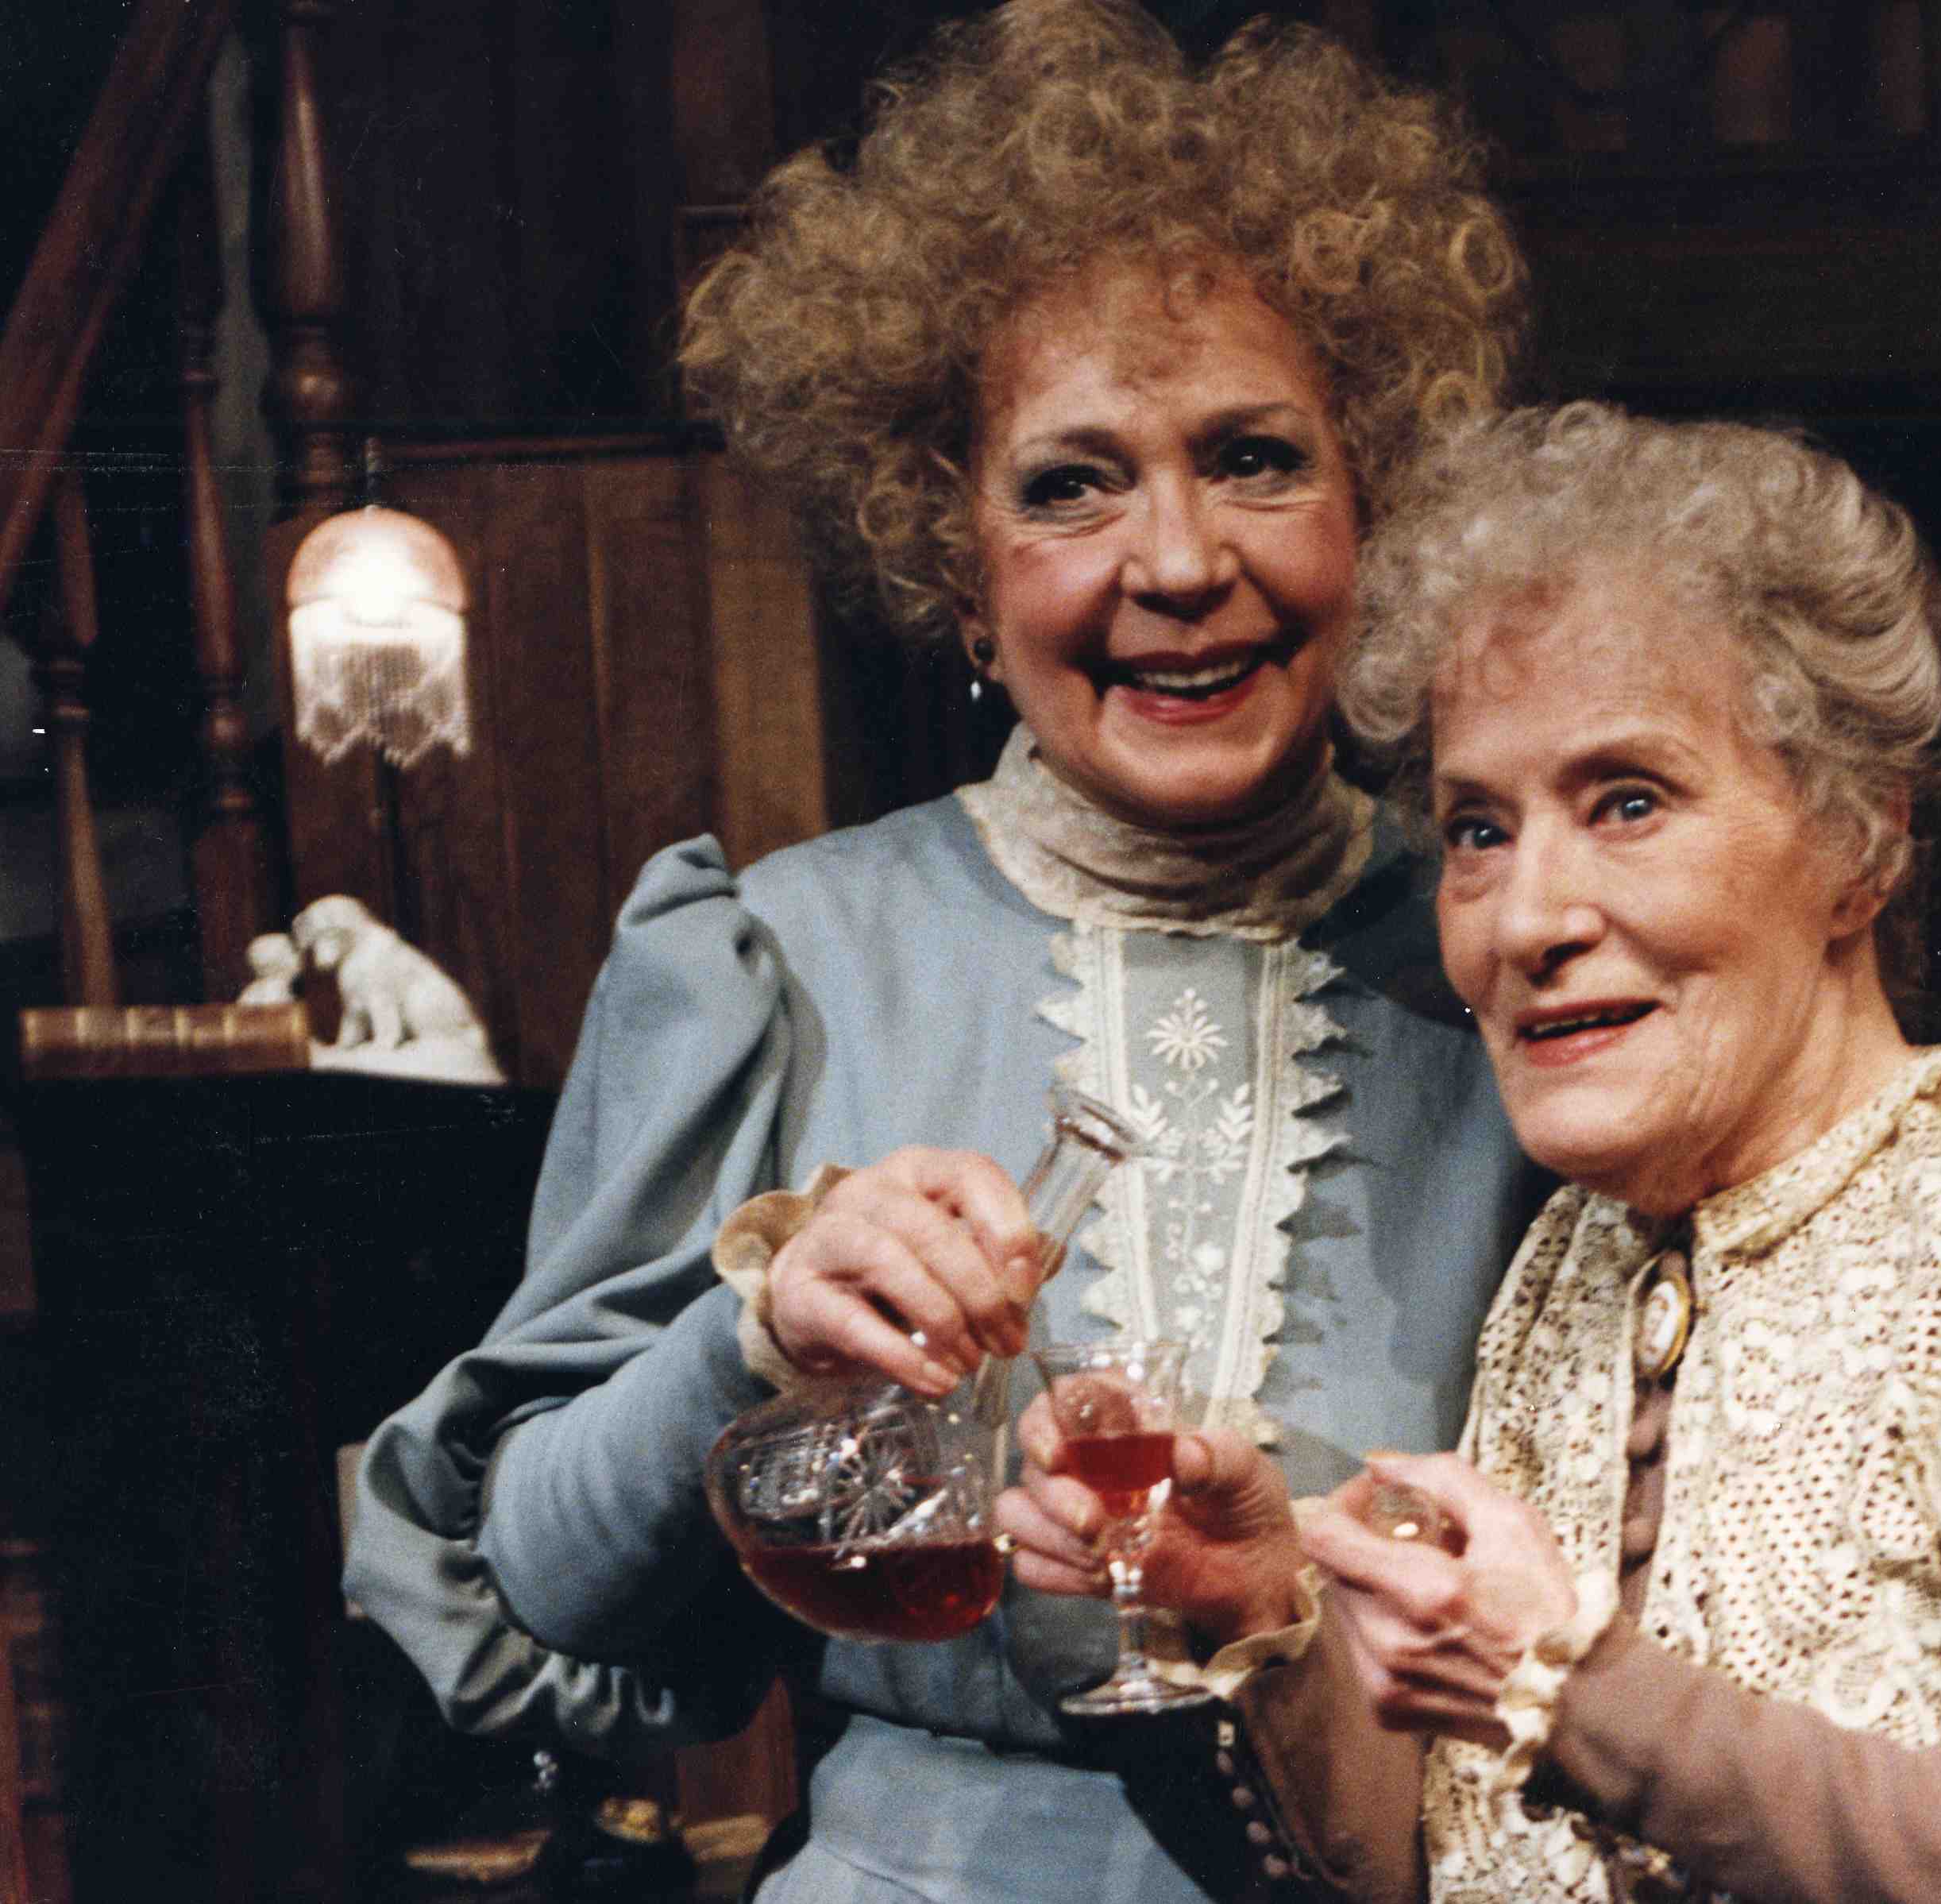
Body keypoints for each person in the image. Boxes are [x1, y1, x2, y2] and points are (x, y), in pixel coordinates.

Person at [342, 8, 1538, 1902]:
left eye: (1254, 457)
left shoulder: (1516, 959)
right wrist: (751, 1337)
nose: (1175, 561)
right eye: (1071, 483)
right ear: (957, 569)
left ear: (1369, 514)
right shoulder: (777, 955)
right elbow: (542, 1582)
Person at [1004, 404, 1941, 1904]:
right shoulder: (1568, 1262)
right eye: (1478, 830)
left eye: (1628, 801)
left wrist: (1574, 1689)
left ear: (1861, 842)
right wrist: (1262, 1615)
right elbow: (1459, 1856)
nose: (1529, 919)